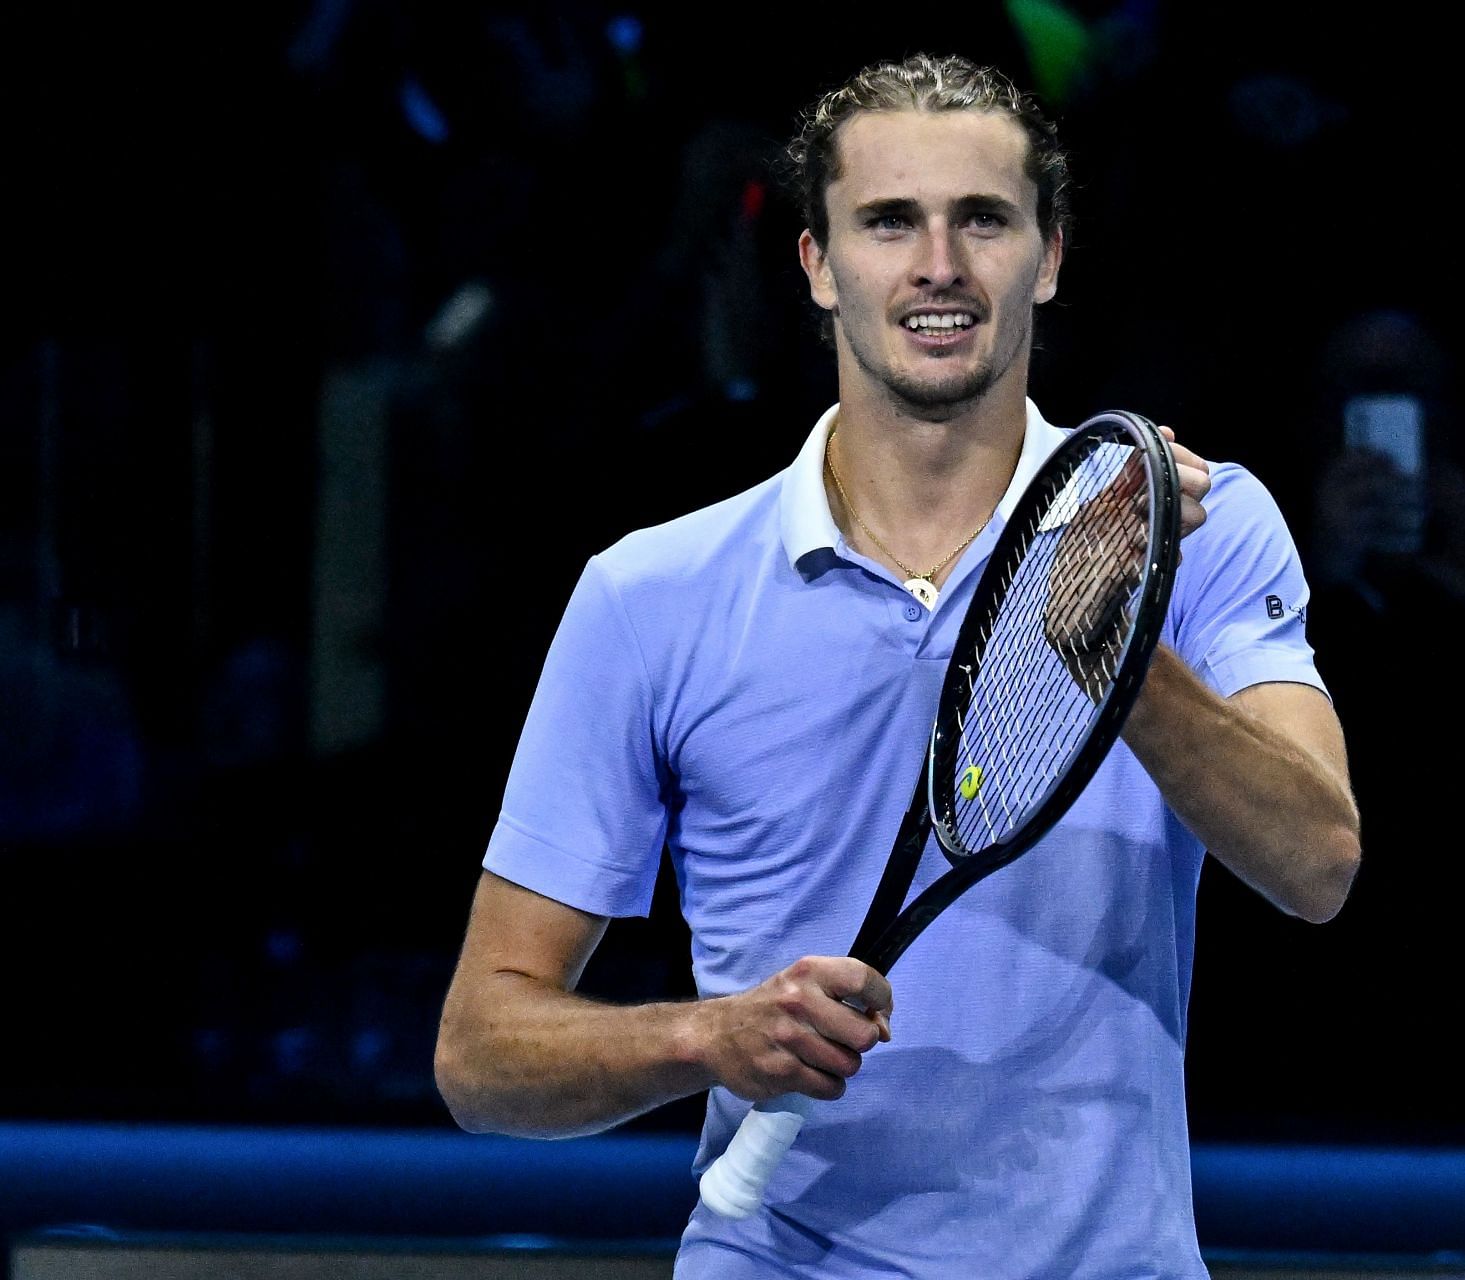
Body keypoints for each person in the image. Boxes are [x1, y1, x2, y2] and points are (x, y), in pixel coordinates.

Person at [434, 53, 1361, 1277]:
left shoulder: (1199, 529)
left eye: (983, 219)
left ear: (1051, 255)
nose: (938, 265)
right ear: (818, 266)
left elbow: (1317, 863)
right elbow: (481, 1053)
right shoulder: (648, 594)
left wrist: (1109, 633)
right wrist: (708, 1037)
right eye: (888, 222)